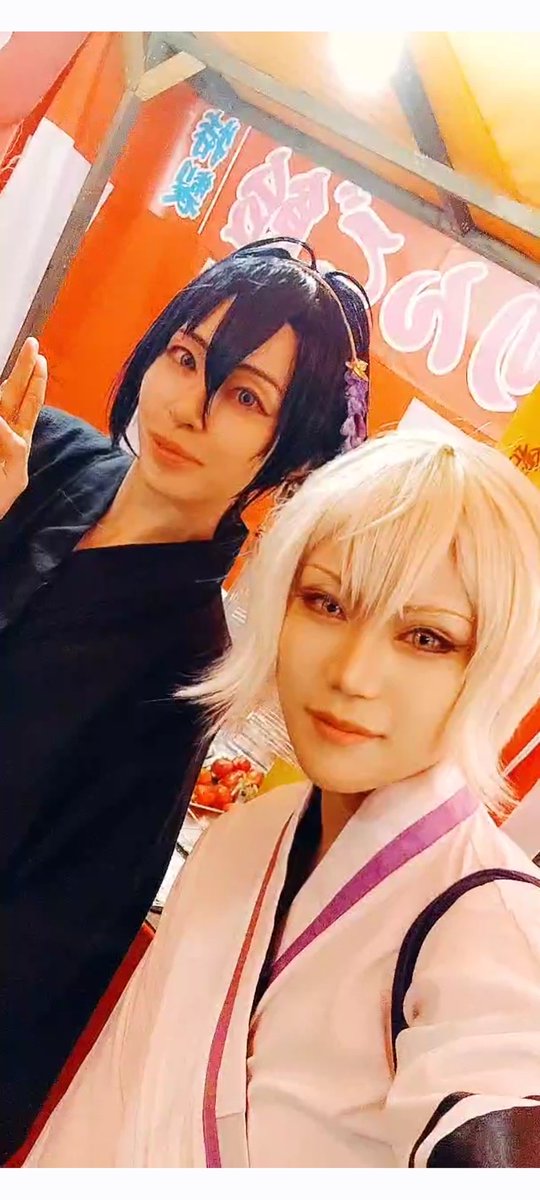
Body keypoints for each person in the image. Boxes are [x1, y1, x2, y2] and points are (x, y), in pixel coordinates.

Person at [25, 427, 540, 1168]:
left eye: (427, 638)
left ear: (495, 665)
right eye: (326, 603)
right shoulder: (241, 838)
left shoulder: (494, 928)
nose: (353, 674)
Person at [0, 237, 371, 1161]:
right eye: (186, 356)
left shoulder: (184, 674)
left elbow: (46, 951)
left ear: (289, 459)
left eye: (245, 398)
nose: (189, 405)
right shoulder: (37, 452)